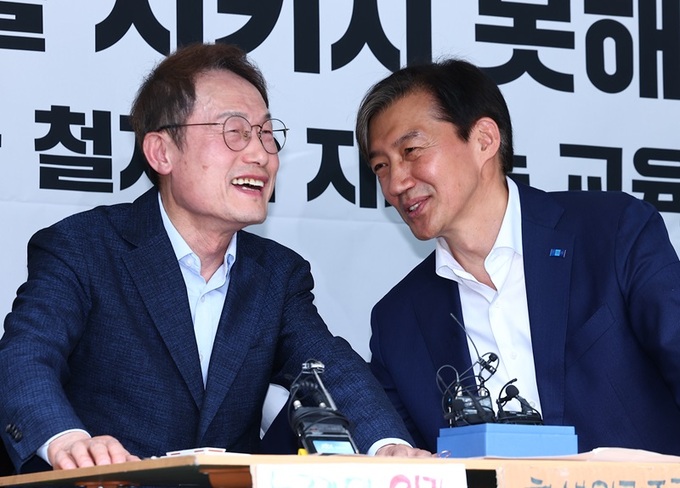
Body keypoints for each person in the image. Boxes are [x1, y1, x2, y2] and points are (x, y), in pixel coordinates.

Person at [0, 42, 430, 474]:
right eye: (234, 131)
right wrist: (67, 441)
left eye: (266, 134)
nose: (261, 154)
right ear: (161, 152)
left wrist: (389, 447)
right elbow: (25, 356)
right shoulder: (85, 248)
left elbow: (329, 367)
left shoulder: (277, 275)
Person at [355, 58, 680, 455]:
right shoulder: (397, 322)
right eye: (381, 167)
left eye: (411, 150)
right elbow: (397, 451)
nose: (396, 183)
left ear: (484, 140)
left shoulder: (613, 233)